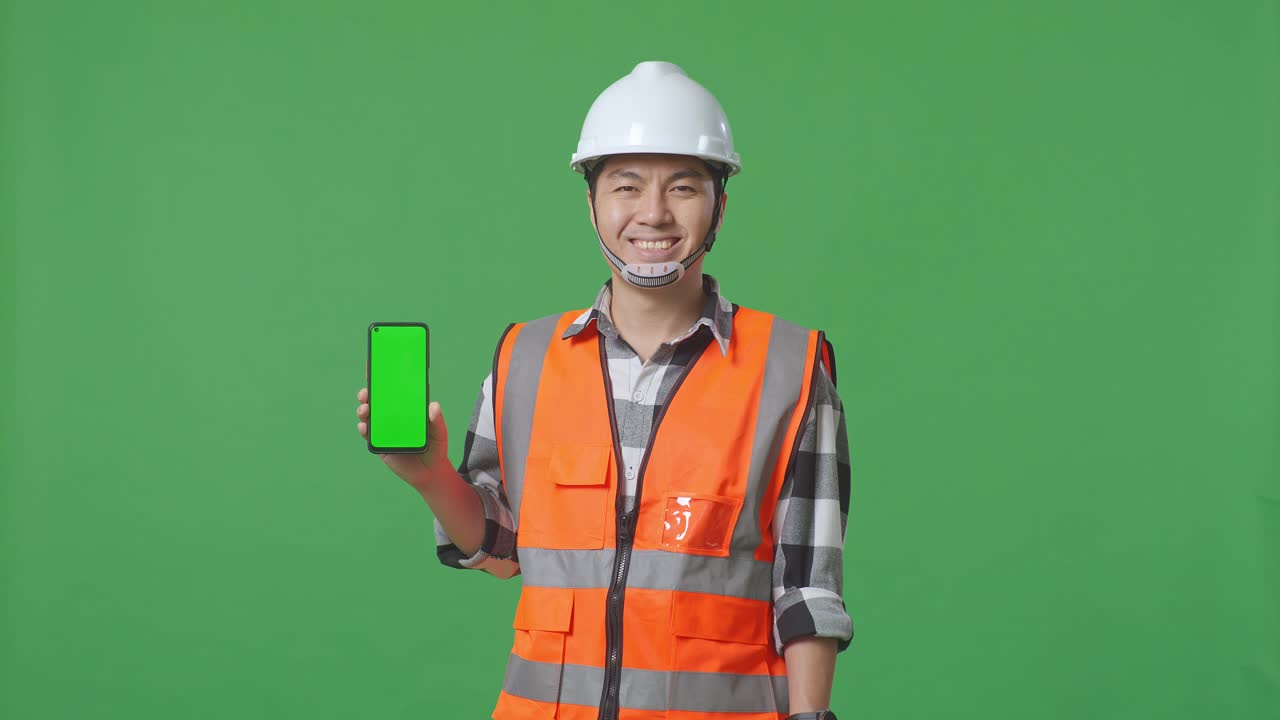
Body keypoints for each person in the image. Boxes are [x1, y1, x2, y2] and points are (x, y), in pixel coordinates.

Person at [356, 61, 851, 720]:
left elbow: (808, 591)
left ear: (720, 204)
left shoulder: (790, 368)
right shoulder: (524, 358)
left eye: (683, 186)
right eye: (626, 185)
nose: (652, 213)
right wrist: (431, 477)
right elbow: (502, 549)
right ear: (590, 200)